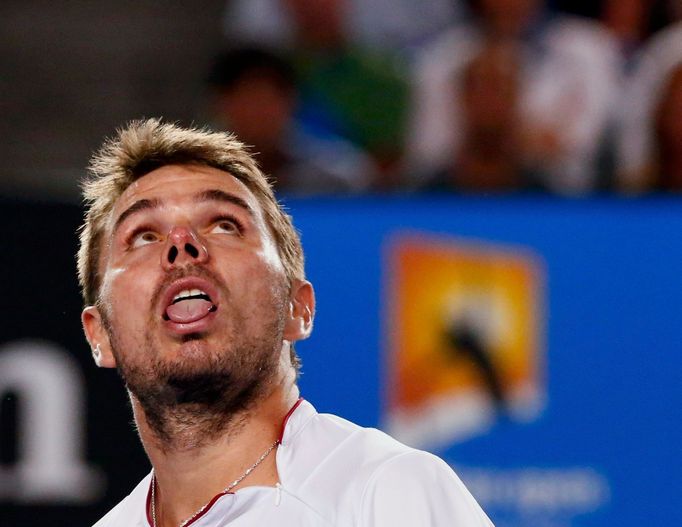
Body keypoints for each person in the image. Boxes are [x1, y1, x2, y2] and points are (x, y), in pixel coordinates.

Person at [78, 119, 494, 526]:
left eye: (225, 224)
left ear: (298, 307)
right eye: (144, 235)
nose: (182, 245)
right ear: (100, 335)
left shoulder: (387, 493)